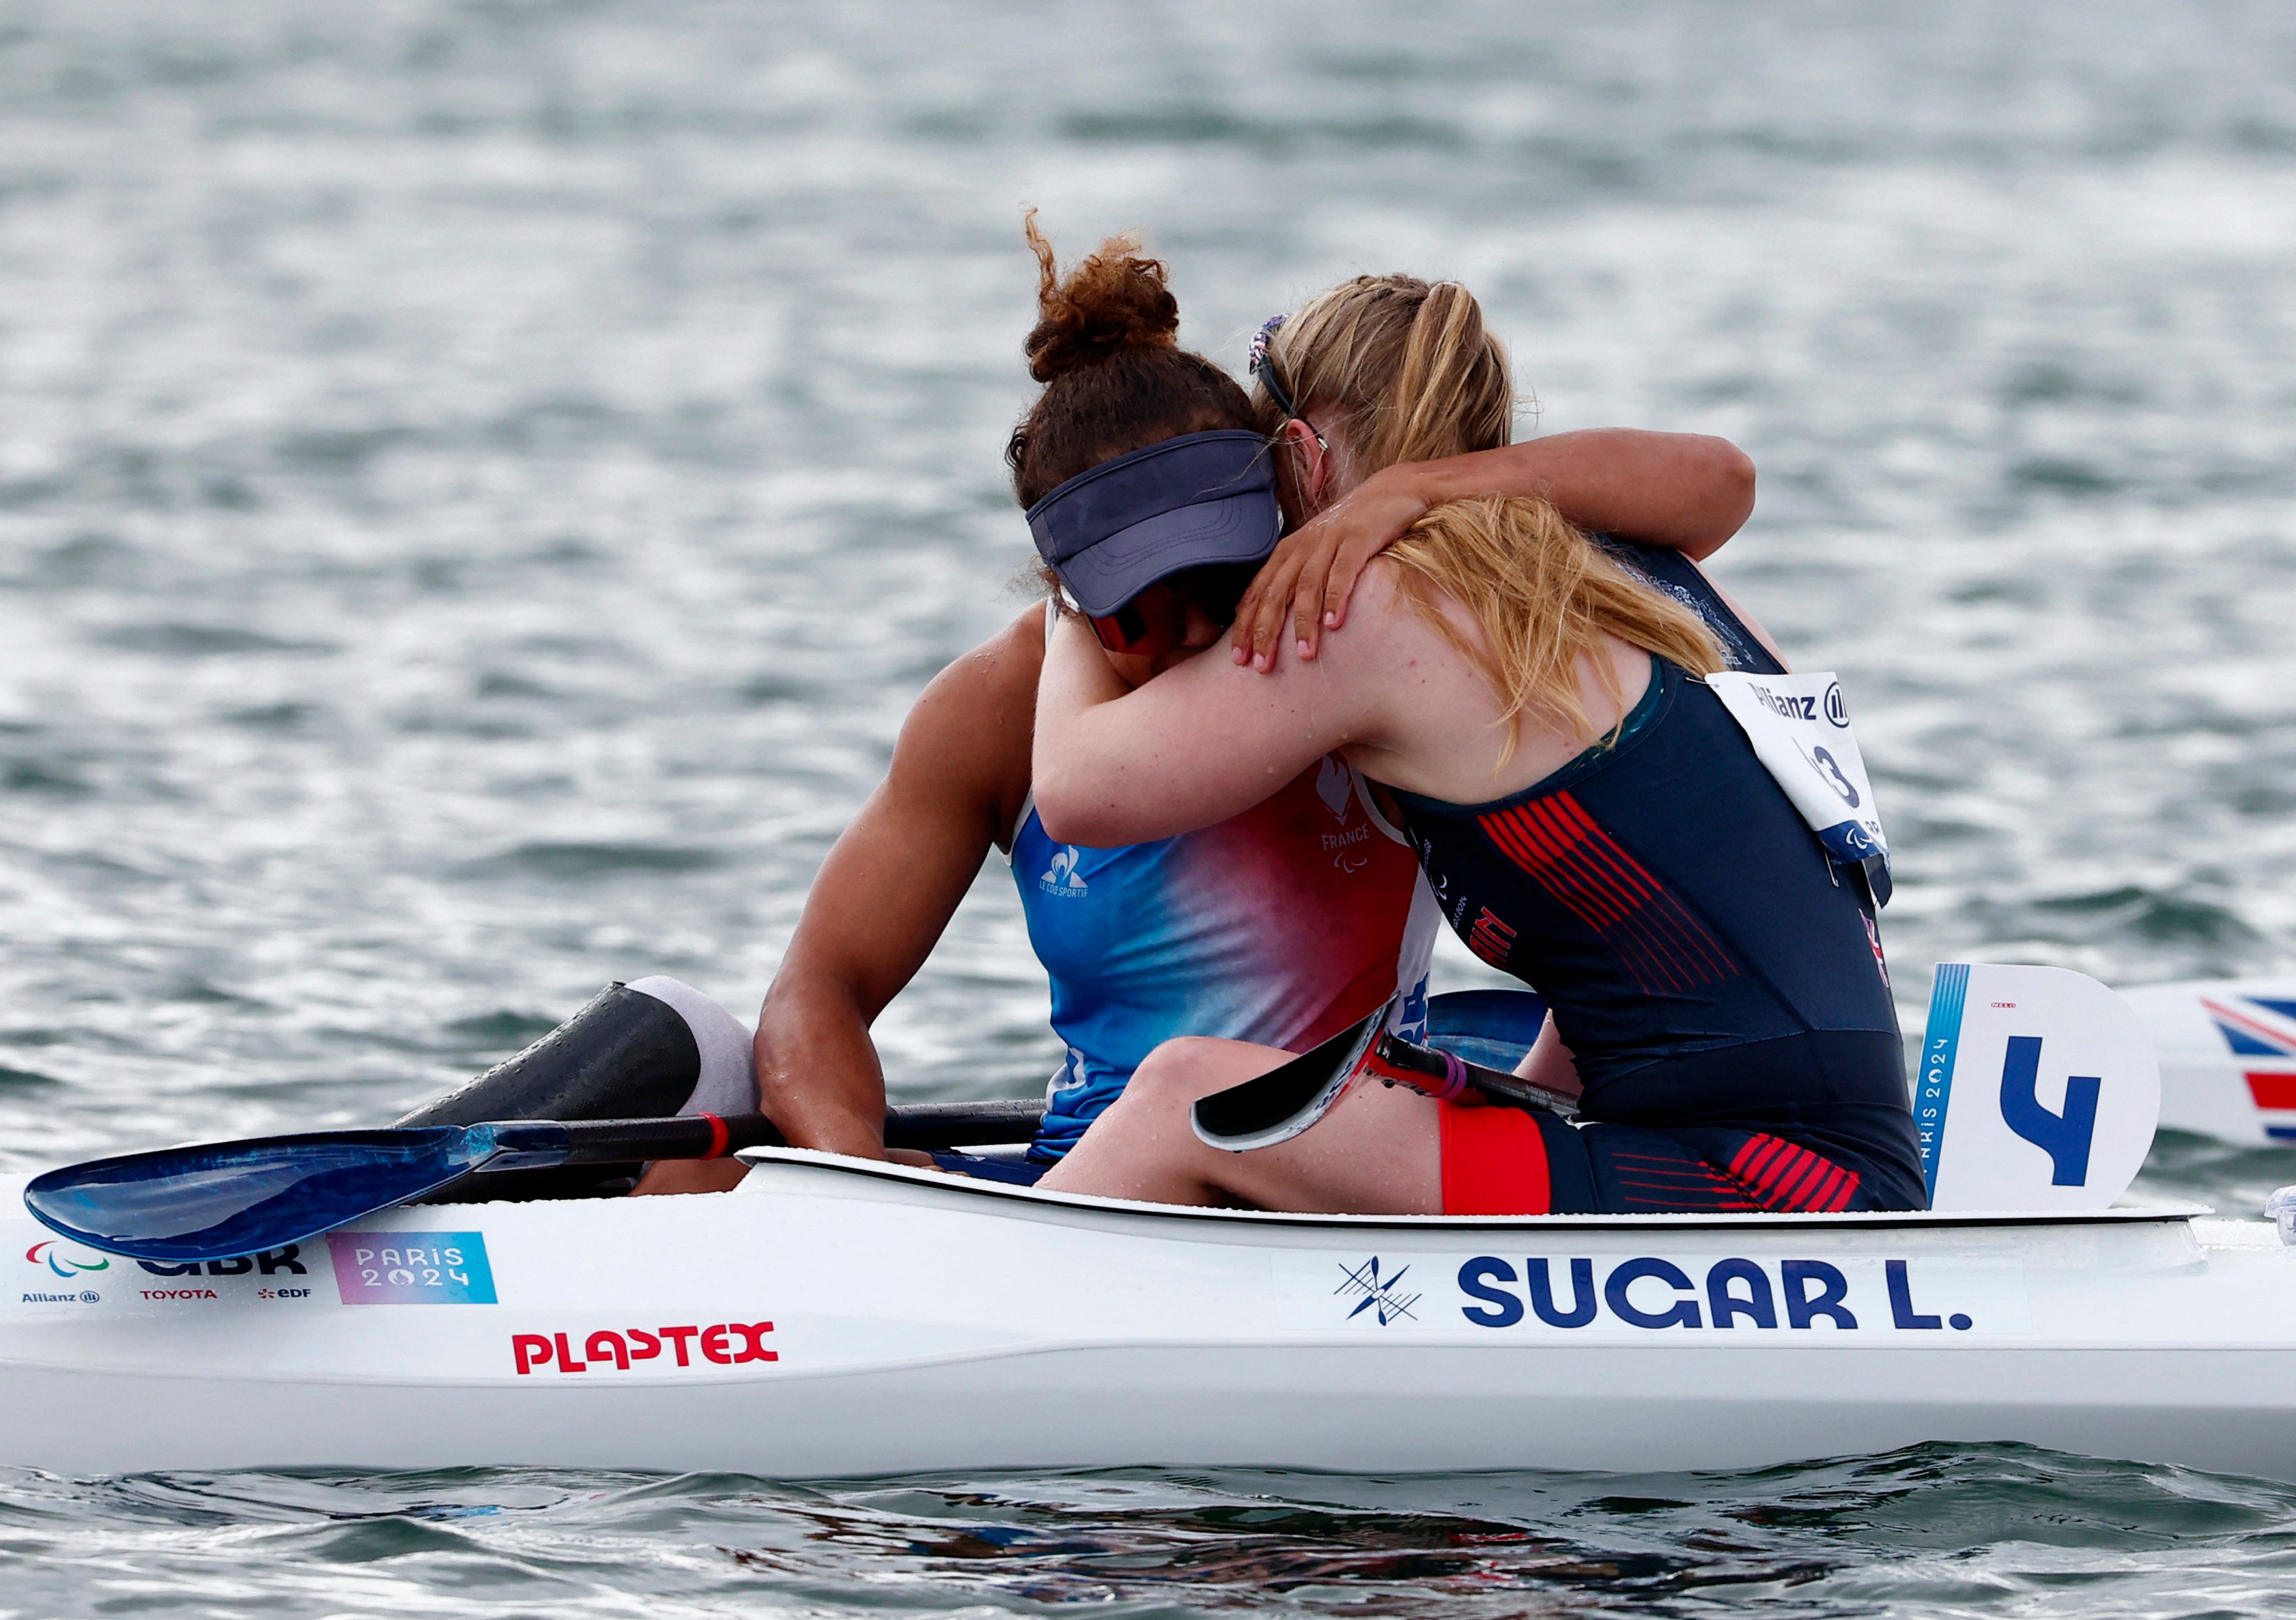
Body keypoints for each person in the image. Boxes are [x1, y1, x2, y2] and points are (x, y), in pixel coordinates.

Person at [634, 227, 1759, 1194]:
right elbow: (821, 990)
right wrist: (864, 1180)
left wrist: (1427, 490)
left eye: (1219, 590)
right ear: (1063, 589)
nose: (1182, 638)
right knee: (675, 1052)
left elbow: (1712, 488)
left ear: (1279, 516)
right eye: (1132, 611)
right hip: (1087, 1184)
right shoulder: (989, 710)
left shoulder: (1351, 639)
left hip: (1322, 1176)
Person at [1031, 272, 1923, 1217]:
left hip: (1761, 1189)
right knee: (1361, 1093)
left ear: (1298, 452)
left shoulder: (1377, 603)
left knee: (1187, 1097)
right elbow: (1663, 945)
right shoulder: (1641, 570)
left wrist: (1073, 586)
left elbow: (1080, 791)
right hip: (1835, 1162)